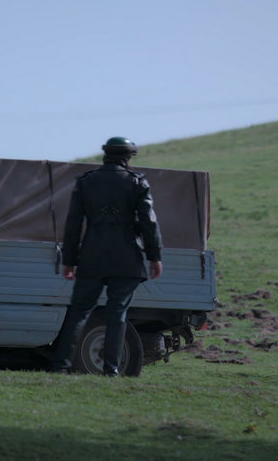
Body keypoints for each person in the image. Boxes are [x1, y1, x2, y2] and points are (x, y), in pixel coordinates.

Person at [50, 137, 163, 376]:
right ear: (128, 156)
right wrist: (154, 256)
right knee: (117, 313)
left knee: (79, 311)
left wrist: (69, 261)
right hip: (126, 258)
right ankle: (111, 370)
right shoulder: (136, 182)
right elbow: (149, 223)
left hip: (92, 256)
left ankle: (60, 366)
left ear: (105, 155)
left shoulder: (86, 182)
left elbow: (73, 225)